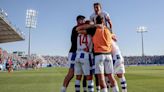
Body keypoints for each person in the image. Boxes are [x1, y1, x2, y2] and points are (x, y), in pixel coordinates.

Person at [90, 2, 127, 92]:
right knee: (110, 75)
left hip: (102, 47)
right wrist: (109, 33)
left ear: (100, 8)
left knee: (104, 76)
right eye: (95, 7)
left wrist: (110, 32)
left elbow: (110, 22)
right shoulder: (92, 16)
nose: (96, 9)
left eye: (97, 7)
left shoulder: (105, 14)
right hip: (107, 48)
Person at [77, 15, 119, 92]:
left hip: (99, 55)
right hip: (108, 55)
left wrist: (93, 25)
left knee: (101, 78)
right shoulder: (108, 29)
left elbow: (79, 30)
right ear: (103, 21)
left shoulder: (94, 28)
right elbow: (114, 36)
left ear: (96, 21)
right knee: (111, 77)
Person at [61, 15, 87, 92]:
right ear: (77, 21)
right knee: (71, 74)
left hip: (79, 53)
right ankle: (63, 90)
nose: (83, 21)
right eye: (81, 20)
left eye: (83, 20)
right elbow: (74, 42)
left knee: (82, 74)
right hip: (74, 53)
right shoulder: (75, 28)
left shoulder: (83, 28)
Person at [74, 20, 94, 92]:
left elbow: (78, 29)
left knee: (78, 78)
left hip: (78, 55)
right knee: (89, 77)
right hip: (86, 55)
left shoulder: (79, 33)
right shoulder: (90, 33)